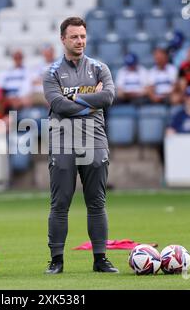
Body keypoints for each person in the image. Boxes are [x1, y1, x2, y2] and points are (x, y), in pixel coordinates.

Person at [42, 17, 118, 274]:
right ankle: (57, 261)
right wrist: (90, 102)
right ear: (63, 39)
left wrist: (73, 96)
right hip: (62, 140)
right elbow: (58, 105)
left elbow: (107, 96)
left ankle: (100, 259)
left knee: (96, 202)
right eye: (74, 36)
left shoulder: (99, 68)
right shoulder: (52, 72)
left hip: (95, 140)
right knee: (60, 203)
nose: (80, 41)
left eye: (83, 36)